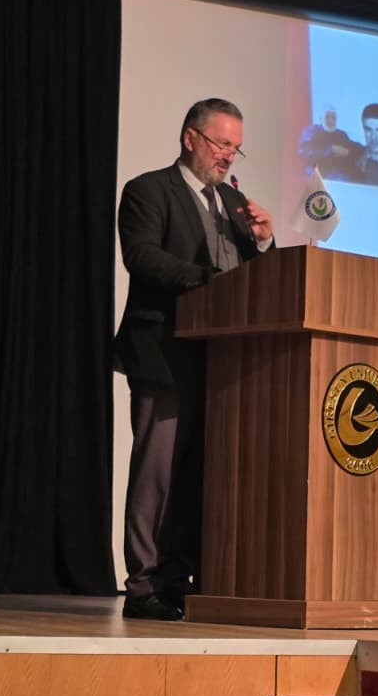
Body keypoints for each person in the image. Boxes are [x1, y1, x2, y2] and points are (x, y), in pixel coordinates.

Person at [115, 99, 274, 621]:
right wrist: (209, 284)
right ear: (190, 138)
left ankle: (179, 579)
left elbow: (252, 278)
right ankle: (143, 585)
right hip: (164, 354)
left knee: (200, 476)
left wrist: (263, 243)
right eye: (221, 143)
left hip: (221, 361)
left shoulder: (234, 204)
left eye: (235, 148)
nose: (229, 156)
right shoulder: (148, 191)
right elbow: (141, 257)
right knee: (157, 474)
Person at [298, 107, 356, 180]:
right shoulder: (311, 131)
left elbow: (352, 147)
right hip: (315, 177)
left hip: (339, 179)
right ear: (320, 119)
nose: (330, 121)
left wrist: (349, 152)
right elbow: (305, 152)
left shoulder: (341, 135)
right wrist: (330, 149)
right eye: (327, 117)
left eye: (333, 118)